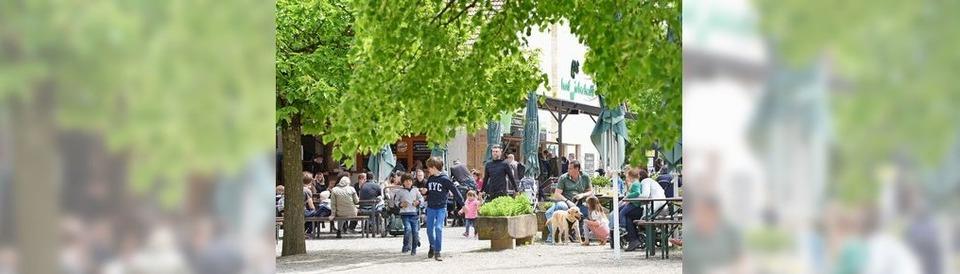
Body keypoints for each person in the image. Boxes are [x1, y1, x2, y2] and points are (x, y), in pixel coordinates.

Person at [424, 157, 464, 261]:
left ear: (434, 167)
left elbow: (455, 192)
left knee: (438, 228)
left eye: (429, 167)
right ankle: (432, 246)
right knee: (429, 230)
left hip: (441, 208)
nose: (428, 169)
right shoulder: (430, 178)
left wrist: (463, 204)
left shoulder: (445, 179)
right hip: (430, 207)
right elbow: (428, 190)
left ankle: (438, 251)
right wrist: (425, 191)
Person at [544, 160, 592, 244]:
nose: (568, 170)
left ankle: (576, 234)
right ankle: (554, 235)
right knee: (562, 207)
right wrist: (568, 201)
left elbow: (591, 191)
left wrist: (582, 195)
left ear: (577, 169)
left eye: (570, 168)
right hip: (565, 201)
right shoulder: (563, 177)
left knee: (585, 211)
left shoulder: (585, 177)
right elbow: (557, 194)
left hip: (578, 203)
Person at [392, 172, 423, 255]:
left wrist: (418, 202)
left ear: (412, 181)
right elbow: (396, 201)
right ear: (403, 182)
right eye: (406, 181)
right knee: (408, 229)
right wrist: (400, 204)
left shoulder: (415, 190)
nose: (408, 182)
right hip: (405, 214)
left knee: (415, 231)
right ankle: (405, 246)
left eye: (410, 181)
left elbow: (421, 198)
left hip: (414, 213)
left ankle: (414, 249)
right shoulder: (400, 191)